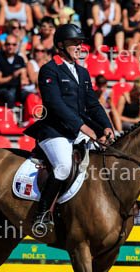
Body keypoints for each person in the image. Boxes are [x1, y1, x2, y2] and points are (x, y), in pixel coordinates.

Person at [24, 24, 114, 233]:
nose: (79, 46)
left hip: (77, 132)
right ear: (61, 45)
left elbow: (93, 104)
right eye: (74, 43)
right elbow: (55, 105)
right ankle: (41, 215)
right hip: (54, 132)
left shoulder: (82, 72)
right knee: (63, 166)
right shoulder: (49, 70)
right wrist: (84, 128)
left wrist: (106, 127)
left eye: (80, 43)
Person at [0, 35, 29, 108]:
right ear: (4, 45)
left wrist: (24, 79)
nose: (11, 47)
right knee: (10, 94)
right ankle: (11, 114)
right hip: (3, 89)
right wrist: (12, 76)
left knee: (29, 95)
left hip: (17, 88)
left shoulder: (20, 59)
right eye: (8, 44)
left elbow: (24, 76)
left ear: (17, 46)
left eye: (14, 44)